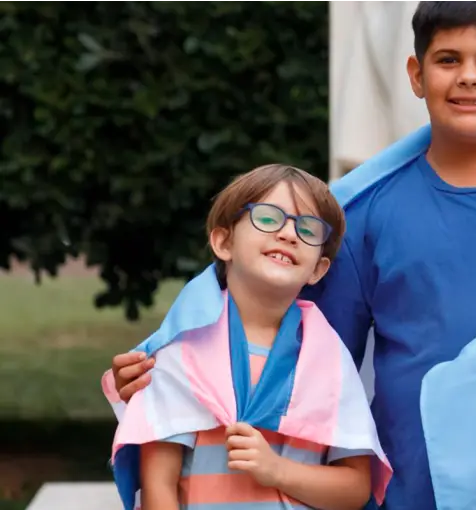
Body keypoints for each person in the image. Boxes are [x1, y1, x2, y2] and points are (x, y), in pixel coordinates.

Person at [109, 1, 476, 509]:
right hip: (410, 482)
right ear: (416, 74)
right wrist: (166, 357)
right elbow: (296, 334)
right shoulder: (364, 211)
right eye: (447, 59)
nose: (468, 76)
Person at [102, 164, 391, 510]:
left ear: (318, 269)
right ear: (224, 242)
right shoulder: (182, 350)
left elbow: (355, 489)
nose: (289, 234)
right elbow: (158, 487)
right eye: (268, 218)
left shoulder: (329, 361)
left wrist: (277, 470)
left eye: (308, 228)